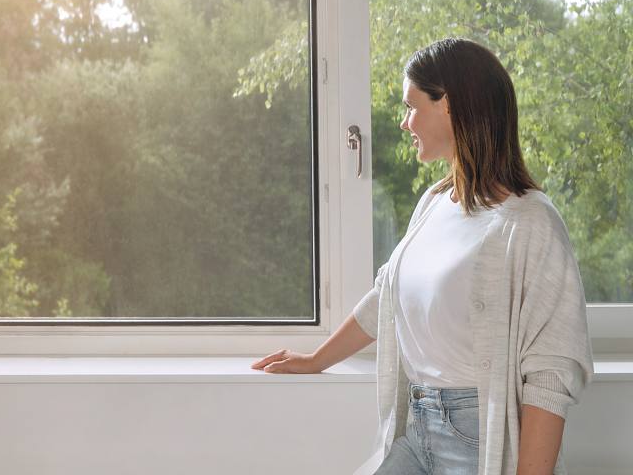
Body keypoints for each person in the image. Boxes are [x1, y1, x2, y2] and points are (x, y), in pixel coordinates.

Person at [252, 38, 593, 475]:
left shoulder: (530, 223)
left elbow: (551, 373)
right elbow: (386, 299)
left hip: (478, 443)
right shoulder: (435, 203)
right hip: (417, 431)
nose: (403, 122)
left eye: (411, 106)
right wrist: (317, 359)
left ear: (449, 104)